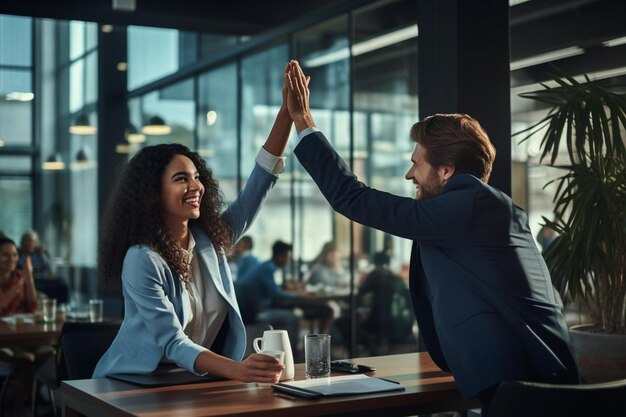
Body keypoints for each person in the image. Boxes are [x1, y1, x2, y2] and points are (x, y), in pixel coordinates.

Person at [285, 60, 579, 416]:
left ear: (446, 170)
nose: (410, 174)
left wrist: (303, 120)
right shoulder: (483, 208)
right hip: (529, 380)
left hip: (526, 391)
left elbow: (353, 198)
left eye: (417, 163)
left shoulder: (466, 206)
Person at [93, 67, 295, 384]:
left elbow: (258, 186)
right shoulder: (142, 259)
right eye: (180, 179)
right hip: (132, 382)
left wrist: (287, 114)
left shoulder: (209, 241)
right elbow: (173, 342)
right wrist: (238, 370)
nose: (195, 186)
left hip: (193, 380)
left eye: (197, 177)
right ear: (153, 194)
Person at [235, 241, 301, 350]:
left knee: (291, 311)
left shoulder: (266, 266)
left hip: (251, 310)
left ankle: (282, 350)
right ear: (281, 256)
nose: (289, 260)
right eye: (288, 257)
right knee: (293, 318)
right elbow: (276, 295)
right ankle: (291, 353)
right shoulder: (269, 269)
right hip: (256, 312)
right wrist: (297, 295)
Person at [0, 237, 40, 415]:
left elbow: (33, 307)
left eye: (15, 255)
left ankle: (30, 403)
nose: (12, 259)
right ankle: (20, 408)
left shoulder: (19, 276)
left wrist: (29, 277)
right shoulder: (17, 281)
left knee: (45, 352)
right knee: (26, 359)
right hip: (4, 342)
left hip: (23, 338)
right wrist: (19, 286)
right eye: (5, 255)